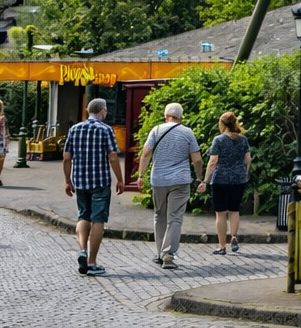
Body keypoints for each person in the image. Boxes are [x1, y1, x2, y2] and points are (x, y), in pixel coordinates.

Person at [62, 97, 126, 277]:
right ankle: (92, 262)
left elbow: (67, 157)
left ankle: (82, 249)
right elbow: (113, 156)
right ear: (102, 110)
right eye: (106, 110)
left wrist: (68, 180)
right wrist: (120, 180)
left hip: (80, 181)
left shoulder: (74, 129)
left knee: (83, 216)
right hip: (100, 182)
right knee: (98, 219)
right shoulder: (106, 130)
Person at [139, 102, 203, 270]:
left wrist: (140, 175)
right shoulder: (188, 132)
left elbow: (146, 153)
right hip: (180, 181)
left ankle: (160, 253)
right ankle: (168, 254)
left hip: (159, 179)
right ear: (180, 117)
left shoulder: (156, 130)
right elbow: (197, 159)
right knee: (175, 218)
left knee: (159, 215)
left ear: (165, 115)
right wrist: (199, 177)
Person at [197, 111, 252, 255]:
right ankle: (234, 236)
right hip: (238, 179)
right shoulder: (243, 139)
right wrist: (245, 174)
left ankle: (222, 246)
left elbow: (213, 161)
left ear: (221, 124)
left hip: (221, 179)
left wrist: (205, 180)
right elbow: (248, 159)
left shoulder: (219, 140)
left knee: (220, 214)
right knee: (234, 210)